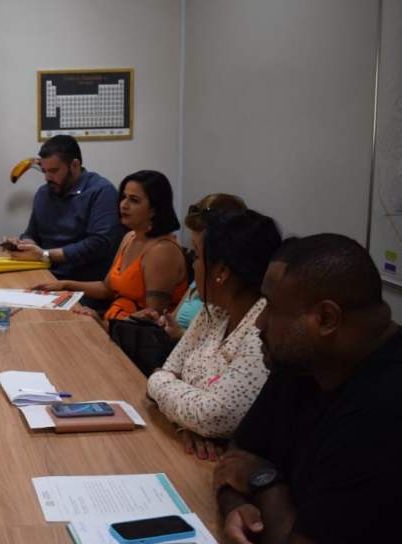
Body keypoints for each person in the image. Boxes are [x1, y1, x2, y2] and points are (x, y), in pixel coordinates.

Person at [213, 234, 400, 544]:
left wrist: (262, 479)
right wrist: (234, 503)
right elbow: (235, 456)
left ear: (326, 318)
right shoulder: (304, 363)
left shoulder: (386, 410)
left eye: (270, 307)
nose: (258, 323)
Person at [146, 209, 281, 460]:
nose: (193, 264)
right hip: (184, 448)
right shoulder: (214, 312)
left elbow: (215, 416)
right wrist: (186, 424)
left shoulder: (261, 327)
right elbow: (168, 370)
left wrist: (159, 386)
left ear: (221, 272)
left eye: (196, 255)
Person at [33, 170, 188, 322]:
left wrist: (104, 325)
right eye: (123, 198)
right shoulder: (130, 237)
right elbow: (107, 289)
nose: (123, 205)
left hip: (132, 338)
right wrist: (65, 285)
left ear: (154, 209)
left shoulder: (163, 251)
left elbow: (152, 316)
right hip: (112, 322)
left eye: (134, 200)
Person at [1, 135, 121, 282]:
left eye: (53, 171)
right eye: (44, 171)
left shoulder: (102, 191)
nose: (47, 178)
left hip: (82, 284)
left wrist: (45, 255)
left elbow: (98, 244)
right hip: (44, 275)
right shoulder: (44, 193)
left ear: (75, 165)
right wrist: (24, 244)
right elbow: (32, 234)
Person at [132, 193, 249, 341]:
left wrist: (180, 335)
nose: (194, 264)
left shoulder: (222, 301)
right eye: (195, 252)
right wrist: (162, 322)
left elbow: (210, 351)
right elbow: (175, 320)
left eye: (198, 254)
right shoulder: (203, 281)